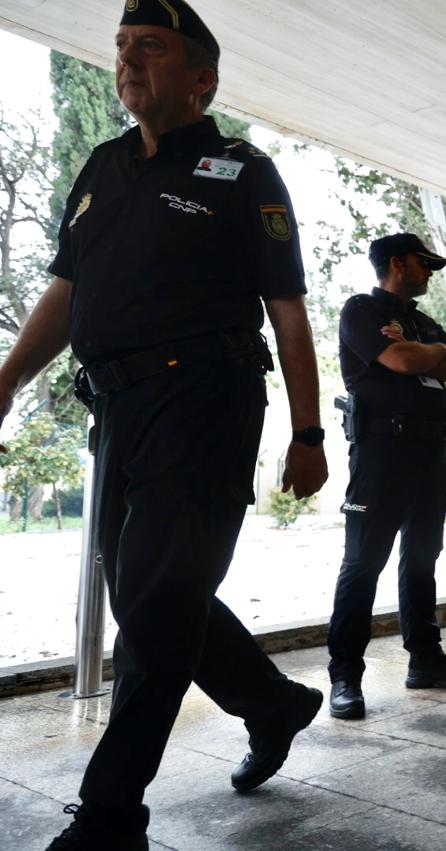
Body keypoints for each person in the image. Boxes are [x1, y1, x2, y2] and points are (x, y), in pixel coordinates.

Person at [0, 4, 329, 846]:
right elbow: (67, 295)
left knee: (156, 597)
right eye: (120, 48)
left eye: (151, 47)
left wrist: (308, 432)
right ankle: (273, 701)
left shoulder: (242, 170)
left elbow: (286, 310)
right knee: (150, 597)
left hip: (207, 403)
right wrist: (5, 380)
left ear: (201, 79)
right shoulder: (104, 166)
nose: (127, 60)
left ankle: (111, 813)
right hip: (115, 409)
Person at [326, 233, 446, 721]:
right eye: (423, 263)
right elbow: (399, 360)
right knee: (363, 562)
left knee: (421, 558)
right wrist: (425, 351)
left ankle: (426, 660)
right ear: (396, 263)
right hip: (381, 454)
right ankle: (345, 676)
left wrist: (424, 346)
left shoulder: (422, 322)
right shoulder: (361, 311)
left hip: (429, 453)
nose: (430, 271)